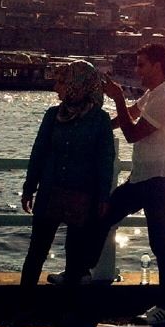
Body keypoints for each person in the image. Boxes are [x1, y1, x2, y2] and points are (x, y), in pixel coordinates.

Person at [70, 43, 165, 325]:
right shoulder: (154, 94)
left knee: (162, 243)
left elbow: (132, 134)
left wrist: (119, 98)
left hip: (160, 179)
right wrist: (95, 127)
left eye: (142, 64)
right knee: (103, 215)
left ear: (158, 65)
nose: (138, 70)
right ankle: (81, 272)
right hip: (143, 177)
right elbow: (130, 115)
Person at [18, 60, 116, 293]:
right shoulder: (52, 115)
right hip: (49, 192)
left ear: (77, 85)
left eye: (62, 82)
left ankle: (69, 307)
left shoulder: (100, 120)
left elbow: (105, 161)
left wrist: (103, 197)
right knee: (37, 251)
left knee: (75, 256)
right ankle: (24, 303)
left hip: (82, 196)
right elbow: (38, 153)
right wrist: (29, 187)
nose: (56, 88)